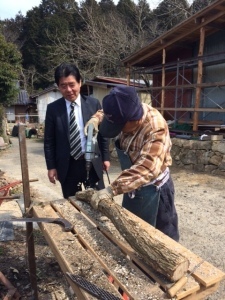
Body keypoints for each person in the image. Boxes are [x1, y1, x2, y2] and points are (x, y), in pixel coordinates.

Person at [83, 85, 179, 241]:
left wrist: (111, 189)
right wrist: (96, 119)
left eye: (120, 126)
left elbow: (147, 168)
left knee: (163, 238)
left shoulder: (156, 128)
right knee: (135, 234)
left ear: (133, 119)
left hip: (155, 189)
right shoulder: (126, 106)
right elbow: (107, 111)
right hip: (131, 184)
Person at [44, 62, 110, 199]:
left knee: (99, 201)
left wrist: (106, 157)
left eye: (72, 84)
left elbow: (102, 134)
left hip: (92, 162)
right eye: (63, 86)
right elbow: (49, 141)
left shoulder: (93, 104)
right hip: (67, 166)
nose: (68, 90)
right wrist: (51, 166)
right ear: (58, 87)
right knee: (72, 205)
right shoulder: (53, 109)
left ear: (80, 83)